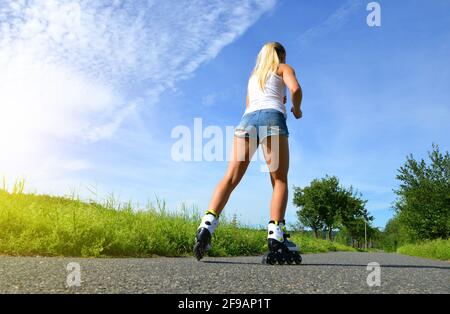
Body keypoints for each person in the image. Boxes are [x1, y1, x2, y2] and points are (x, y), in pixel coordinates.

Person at [194, 42, 303, 265]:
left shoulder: (254, 76)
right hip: (272, 118)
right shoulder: (283, 68)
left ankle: (207, 223)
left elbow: (251, 104)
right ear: (279, 55)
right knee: (279, 179)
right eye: (283, 55)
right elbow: (296, 89)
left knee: (230, 176)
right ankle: (276, 236)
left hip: (247, 120)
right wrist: (296, 109)